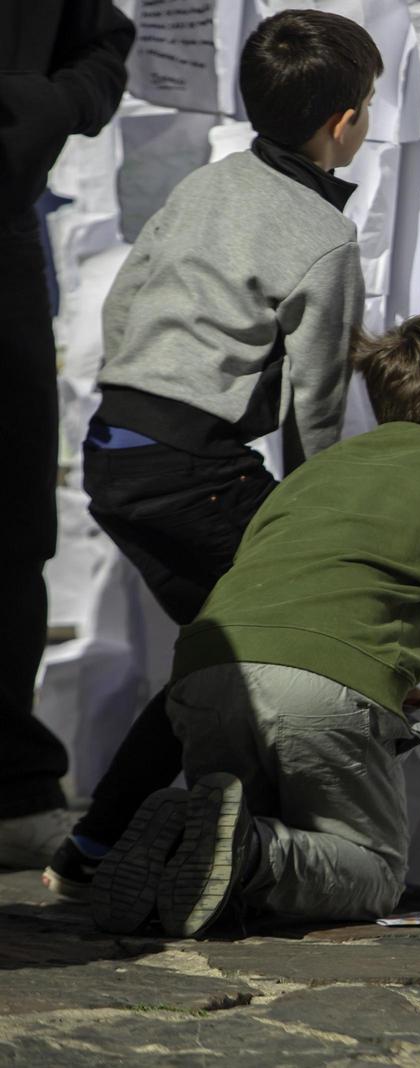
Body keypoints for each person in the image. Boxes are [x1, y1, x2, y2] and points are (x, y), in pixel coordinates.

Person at [88, 313, 420, 938]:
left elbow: (302, 592)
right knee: (372, 869)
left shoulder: (312, 474)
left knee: (231, 835)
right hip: (316, 693)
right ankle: (253, 852)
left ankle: (190, 842)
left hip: (205, 678)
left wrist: (369, 669)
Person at [44, 9, 383, 897]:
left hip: (116, 450)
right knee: (270, 635)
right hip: (194, 468)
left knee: (214, 649)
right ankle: (206, 840)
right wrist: (309, 529)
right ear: (344, 124)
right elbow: (316, 403)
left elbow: (127, 300)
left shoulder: (208, 183)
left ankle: (101, 845)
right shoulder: (326, 238)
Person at [0, 0, 134, 871]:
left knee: (12, 526)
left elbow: (105, 39)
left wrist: (49, 107)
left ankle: (8, 786)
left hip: (5, 242)